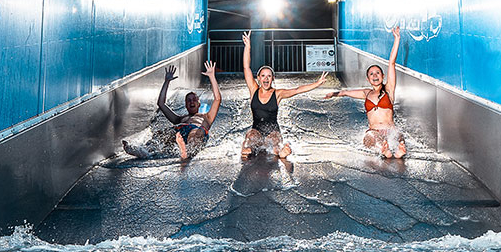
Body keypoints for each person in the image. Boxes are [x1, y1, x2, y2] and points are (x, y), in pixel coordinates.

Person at [241, 30, 328, 159]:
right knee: (250, 137)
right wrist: (248, 46)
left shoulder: (277, 94)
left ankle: (282, 150)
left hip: (273, 132)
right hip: (257, 131)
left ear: (273, 79)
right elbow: (246, 67)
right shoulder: (254, 89)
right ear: (258, 78)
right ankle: (248, 147)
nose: (266, 79)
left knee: (274, 142)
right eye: (263, 76)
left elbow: (297, 90)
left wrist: (317, 83)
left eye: (269, 76)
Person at [324, 26, 407, 159]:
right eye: (371, 74)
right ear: (368, 79)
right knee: (368, 138)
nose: (375, 76)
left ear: (383, 76)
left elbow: (391, 63)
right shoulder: (366, 93)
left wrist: (397, 39)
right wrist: (332, 94)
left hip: (390, 129)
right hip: (374, 130)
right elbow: (345, 92)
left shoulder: (389, 89)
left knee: (398, 135)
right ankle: (384, 149)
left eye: (378, 73)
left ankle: (398, 150)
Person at [155, 61, 221, 160]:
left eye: (194, 99)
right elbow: (161, 104)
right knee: (161, 134)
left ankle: (186, 151)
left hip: (196, 131)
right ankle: (145, 151)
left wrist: (212, 76)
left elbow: (217, 99)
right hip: (181, 130)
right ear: (185, 105)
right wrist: (166, 82)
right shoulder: (179, 119)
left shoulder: (207, 117)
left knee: (195, 133)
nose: (191, 102)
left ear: (199, 104)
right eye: (189, 100)